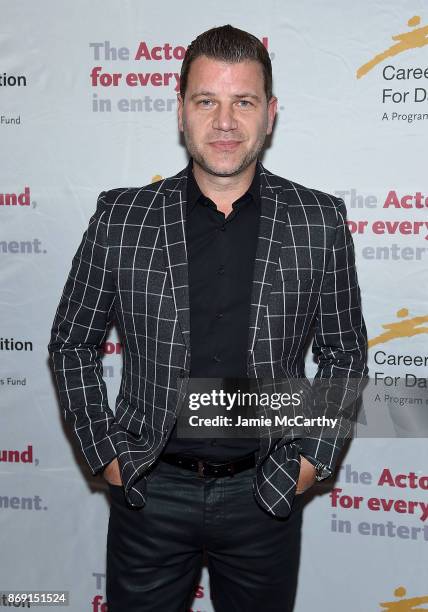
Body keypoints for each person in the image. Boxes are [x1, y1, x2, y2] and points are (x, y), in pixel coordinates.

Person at [48, 24, 368, 612]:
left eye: (242, 102)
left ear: (269, 115)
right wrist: (107, 455)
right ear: (180, 112)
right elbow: (71, 342)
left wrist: (309, 460)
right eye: (206, 101)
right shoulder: (123, 218)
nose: (225, 122)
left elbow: (344, 355)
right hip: (149, 489)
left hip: (266, 489)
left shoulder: (318, 221)